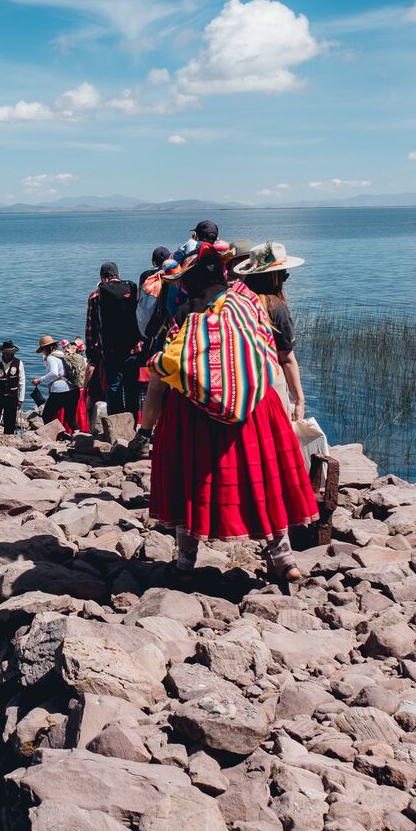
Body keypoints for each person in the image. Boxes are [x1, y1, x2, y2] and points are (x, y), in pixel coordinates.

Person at [138, 241, 318, 586]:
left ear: (188, 282)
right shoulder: (250, 304)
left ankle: (185, 562)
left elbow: (161, 375)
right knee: (265, 477)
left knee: (190, 478)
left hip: (193, 412)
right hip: (254, 407)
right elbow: (270, 353)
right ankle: (283, 559)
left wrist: (146, 429)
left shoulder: (185, 316)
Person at [228, 242, 308, 425]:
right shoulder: (275, 307)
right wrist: (299, 401)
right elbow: (287, 360)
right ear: (275, 276)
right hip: (269, 387)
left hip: (238, 388)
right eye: (284, 275)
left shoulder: (233, 298)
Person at [85, 261, 142, 414]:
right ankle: (133, 423)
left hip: (110, 350)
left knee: (114, 387)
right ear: (118, 275)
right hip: (133, 349)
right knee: (131, 387)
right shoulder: (132, 288)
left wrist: (91, 352)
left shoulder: (96, 294)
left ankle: (116, 426)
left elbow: (91, 327)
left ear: (102, 277)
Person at [30, 335, 77, 431]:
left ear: (46, 348)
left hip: (59, 391)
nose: (42, 352)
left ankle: (53, 436)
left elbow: (54, 373)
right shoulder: (61, 354)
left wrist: (40, 380)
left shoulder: (51, 357)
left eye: (43, 349)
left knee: (47, 416)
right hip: (72, 389)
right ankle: (79, 436)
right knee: (70, 418)